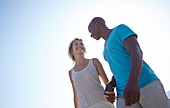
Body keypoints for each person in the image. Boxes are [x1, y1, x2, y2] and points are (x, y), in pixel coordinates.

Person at [88, 17, 170, 108]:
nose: (90, 35)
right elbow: (117, 71)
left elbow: (136, 52)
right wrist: (111, 84)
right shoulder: (105, 51)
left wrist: (133, 82)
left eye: (90, 30)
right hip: (123, 95)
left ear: (96, 24)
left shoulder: (119, 30)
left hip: (145, 84)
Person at [68, 38, 115, 108]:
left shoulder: (94, 62)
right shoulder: (71, 73)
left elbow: (107, 83)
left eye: (81, 44)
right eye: (76, 44)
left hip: (102, 103)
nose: (80, 45)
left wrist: (111, 94)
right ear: (72, 51)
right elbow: (76, 94)